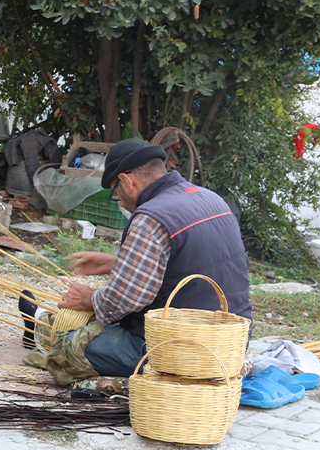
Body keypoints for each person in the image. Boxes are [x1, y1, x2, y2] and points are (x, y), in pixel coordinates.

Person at [37, 138, 252, 381]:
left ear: (127, 181)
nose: (118, 200)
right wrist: (117, 262)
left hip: (184, 352)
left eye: (115, 192)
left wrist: (89, 298)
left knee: (73, 347)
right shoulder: (210, 198)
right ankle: (41, 320)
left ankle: (40, 323)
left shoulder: (151, 217)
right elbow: (188, 262)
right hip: (233, 344)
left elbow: (124, 300)